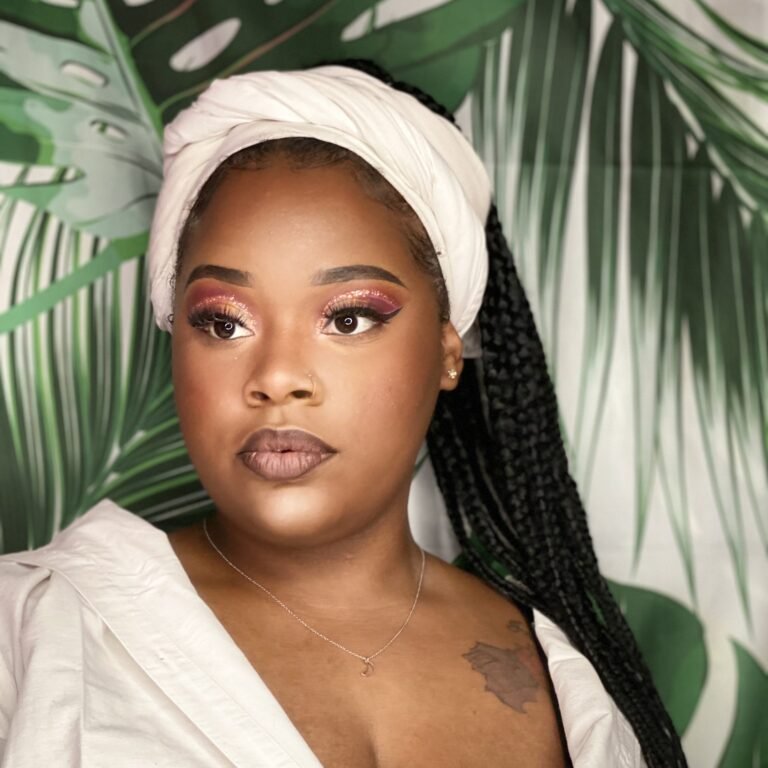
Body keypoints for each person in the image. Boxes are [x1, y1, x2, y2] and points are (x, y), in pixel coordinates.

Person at [0, 61, 686, 767]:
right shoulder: (33, 633)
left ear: (449, 352)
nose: (277, 379)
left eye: (350, 318)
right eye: (225, 324)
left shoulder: (569, 684)